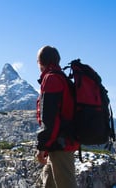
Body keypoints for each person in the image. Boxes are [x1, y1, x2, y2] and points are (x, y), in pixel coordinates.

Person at [36, 45, 79, 188]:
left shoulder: (51, 79)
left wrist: (42, 146)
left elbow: (50, 118)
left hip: (60, 144)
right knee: (49, 182)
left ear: (40, 62)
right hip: (61, 143)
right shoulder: (61, 78)